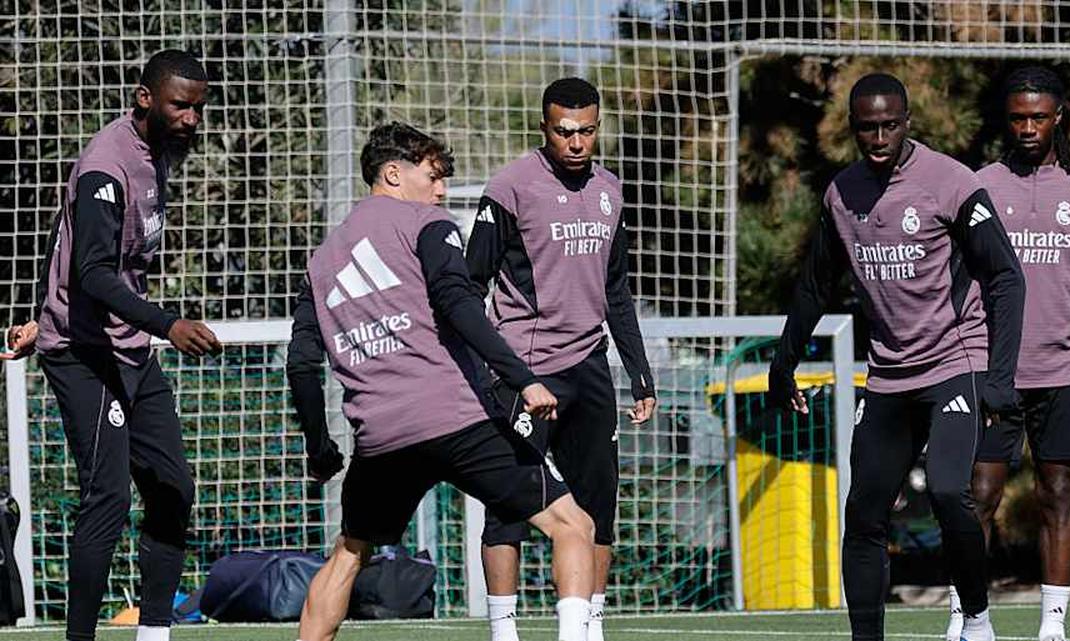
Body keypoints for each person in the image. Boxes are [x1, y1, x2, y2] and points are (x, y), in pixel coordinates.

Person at [286, 122, 597, 641]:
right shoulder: (426, 223)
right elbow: (458, 302)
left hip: (380, 440)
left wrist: (319, 448)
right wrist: (523, 379)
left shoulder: (321, 263)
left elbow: (301, 364)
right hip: (457, 421)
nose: (441, 190)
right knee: (573, 526)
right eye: (433, 176)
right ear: (393, 173)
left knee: (348, 553)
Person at [767, 73, 1025, 641]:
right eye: (868, 127)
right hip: (888, 372)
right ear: (853, 128)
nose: (879, 137)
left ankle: (976, 619)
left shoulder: (950, 183)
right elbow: (815, 284)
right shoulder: (842, 195)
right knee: (864, 513)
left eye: (890, 125)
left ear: (908, 122)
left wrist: (1000, 378)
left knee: (948, 491)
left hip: (956, 360)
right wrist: (783, 364)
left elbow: (1007, 277)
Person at [34, 50, 221, 641]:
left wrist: (35, 310)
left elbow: (62, 235)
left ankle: (155, 633)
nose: (191, 119)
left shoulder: (156, 152)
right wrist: (168, 324)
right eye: (180, 106)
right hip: (85, 354)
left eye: (198, 108)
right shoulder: (105, 167)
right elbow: (91, 272)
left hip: (130, 349)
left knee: (173, 488)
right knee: (108, 498)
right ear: (145, 98)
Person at [943, 67, 1070, 641]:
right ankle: (965, 616)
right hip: (992, 370)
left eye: (1039, 117)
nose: (1028, 128)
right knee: (978, 494)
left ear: (1058, 118)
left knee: (1059, 493)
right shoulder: (979, 187)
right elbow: (955, 277)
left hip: (1062, 370)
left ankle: (1053, 624)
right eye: (1018, 118)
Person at [465, 77, 656, 641]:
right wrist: (486, 369)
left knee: (597, 506)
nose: (576, 143)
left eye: (587, 131)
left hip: (589, 367)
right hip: (524, 373)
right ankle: (504, 631)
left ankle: (589, 628)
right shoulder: (510, 187)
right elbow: (470, 285)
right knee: (509, 503)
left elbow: (616, 290)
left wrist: (640, 373)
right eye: (564, 131)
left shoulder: (610, 190)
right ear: (544, 128)